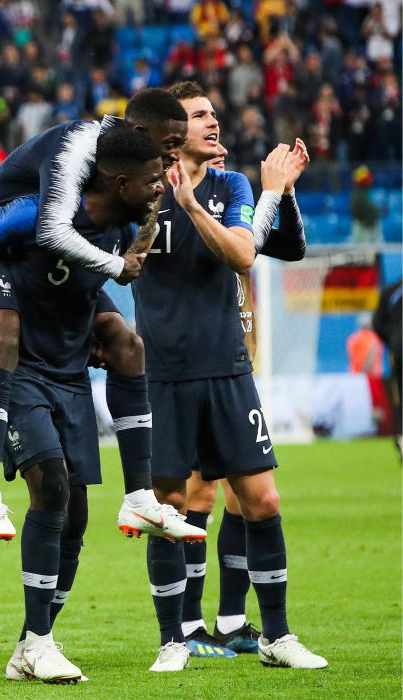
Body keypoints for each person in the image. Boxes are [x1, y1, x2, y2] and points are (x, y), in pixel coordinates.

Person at [0, 126, 168, 682]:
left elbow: (80, 279)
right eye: (150, 178)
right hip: (20, 367)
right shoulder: (33, 211)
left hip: (68, 364)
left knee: (75, 514)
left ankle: (32, 641)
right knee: (49, 487)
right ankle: (38, 638)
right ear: (119, 181)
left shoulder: (120, 224)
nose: (159, 184)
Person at [0, 88, 195, 541]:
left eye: (180, 142)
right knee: (2, 333)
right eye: (170, 142)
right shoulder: (77, 149)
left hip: (57, 266)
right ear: (137, 135)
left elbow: (127, 246)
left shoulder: (129, 184)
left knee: (126, 342)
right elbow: (53, 230)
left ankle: (139, 499)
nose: (176, 153)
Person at [132, 81, 327, 672]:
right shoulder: (136, 193)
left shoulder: (231, 186)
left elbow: (245, 255)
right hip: (163, 376)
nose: (211, 123)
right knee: (169, 507)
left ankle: (276, 635)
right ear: (170, 130)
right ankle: (174, 639)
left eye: (213, 113)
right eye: (197, 116)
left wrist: (194, 203)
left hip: (227, 370)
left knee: (262, 499)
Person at [180, 139, 311, 657]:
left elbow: (289, 248)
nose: (219, 147)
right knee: (198, 494)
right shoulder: (180, 210)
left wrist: (285, 194)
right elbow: (245, 249)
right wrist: (271, 193)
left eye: (218, 137)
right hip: (190, 369)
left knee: (244, 496)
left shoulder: (232, 205)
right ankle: (188, 627)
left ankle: (232, 619)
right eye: (203, 130)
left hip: (237, 366)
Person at [373, 279, 402, 456]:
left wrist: (391, 343)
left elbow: (377, 323)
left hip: (399, 349)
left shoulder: (392, 289)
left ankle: (401, 435)